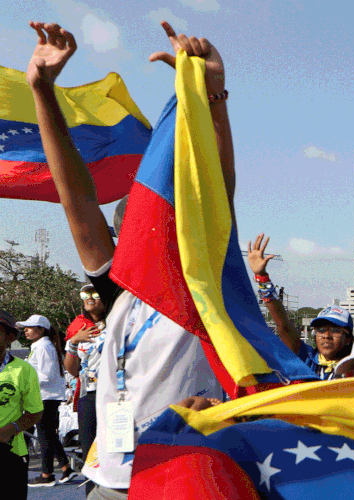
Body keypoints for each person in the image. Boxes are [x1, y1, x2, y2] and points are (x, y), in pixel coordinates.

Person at [26, 21, 226, 498]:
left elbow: (218, 184)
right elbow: (75, 196)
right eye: (144, 222)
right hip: (112, 482)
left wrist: (212, 97)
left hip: (187, 477)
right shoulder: (120, 288)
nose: (160, 230)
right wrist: (43, 92)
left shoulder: (212, 284)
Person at [246, 234, 354, 379]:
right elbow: (283, 325)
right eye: (321, 329)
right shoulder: (306, 358)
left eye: (336, 330)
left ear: (349, 338)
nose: (326, 336)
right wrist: (261, 276)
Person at [17, 314, 77, 486]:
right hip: (44, 396)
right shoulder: (40, 345)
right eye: (25, 327)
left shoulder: (44, 347)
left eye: (30, 327)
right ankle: (66, 468)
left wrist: (24, 381)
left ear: (41, 329)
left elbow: (47, 375)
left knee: (44, 436)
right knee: (48, 434)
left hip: (46, 397)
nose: (25, 330)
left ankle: (47, 475)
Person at [63, 284, 105, 495]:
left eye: (96, 294)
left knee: (116, 449)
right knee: (90, 452)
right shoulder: (78, 326)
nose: (90, 298)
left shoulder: (118, 322)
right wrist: (73, 342)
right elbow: (71, 369)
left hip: (116, 395)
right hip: (89, 394)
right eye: (86, 294)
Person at [0, 309, 44, 500]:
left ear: (9, 337)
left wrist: (10, 429)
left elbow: (35, 412)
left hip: (10, 454)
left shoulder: (23, 370)